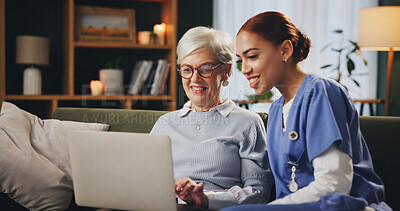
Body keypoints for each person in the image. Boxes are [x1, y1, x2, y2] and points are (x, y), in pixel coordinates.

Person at [226, 11, 391, 211]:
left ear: (285, 50)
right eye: (240, 60)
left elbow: (333, 185)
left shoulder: (322, 92)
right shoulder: (276, 110)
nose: (244, 69)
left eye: (252, 56)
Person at [150, 26, 273, 210]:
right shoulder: (165, 124)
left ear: (226, 71)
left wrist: (206, 198)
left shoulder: (248, 123)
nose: (195, 79)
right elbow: (143, 181)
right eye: (187, 69)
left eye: (205, 68)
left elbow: (258, 193)